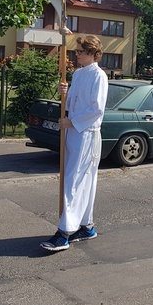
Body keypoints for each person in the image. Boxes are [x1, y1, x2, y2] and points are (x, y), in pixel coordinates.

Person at [41, 35, 109, 252]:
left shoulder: (99, 76)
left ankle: (64, 233)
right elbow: (72, 102)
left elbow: (97, 108)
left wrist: (73, 121)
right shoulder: (78, 74)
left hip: (86, 133)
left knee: (75, 181)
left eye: (80, 51)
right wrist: (65, 93)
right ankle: (86, 226)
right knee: (79, 180)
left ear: (92, 53)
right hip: (73, 132)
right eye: (76, 51)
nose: (76, 54)